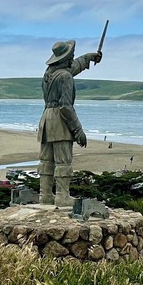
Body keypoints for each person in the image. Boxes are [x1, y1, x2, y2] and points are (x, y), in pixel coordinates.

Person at [37, 39, 102, 206]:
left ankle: (45, 196)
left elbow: (72, 67)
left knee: (46, 161)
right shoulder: (65, 77)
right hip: (59, 120)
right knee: (63, 161)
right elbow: (66, 106)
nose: (73, 59)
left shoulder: (48, 73)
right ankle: (62, 196)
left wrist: (88, 58)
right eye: (71, 56)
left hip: (46, 119)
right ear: (65, 59)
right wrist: (78, 130)